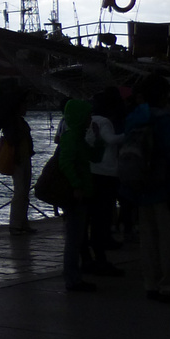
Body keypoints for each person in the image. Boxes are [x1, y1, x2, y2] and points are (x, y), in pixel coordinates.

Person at [122, 76, 170, 303]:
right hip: (169, 187)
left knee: (149, 239)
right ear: (164, 95)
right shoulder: (168, 119)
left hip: (142, 186)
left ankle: (151, 284)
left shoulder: (133, 118)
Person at [83, 87, 126, 277]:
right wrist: (131, 134)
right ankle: (101, 255)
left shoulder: (87, 121)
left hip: (90, 172)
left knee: (90, 217)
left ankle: (88, 257)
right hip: (107, 172)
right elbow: (110, 140)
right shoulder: (105, 121)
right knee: (103, 216)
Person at [57, 98, 97, 293]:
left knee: (77, 235)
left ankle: (74, 276)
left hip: (83, 191)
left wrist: (97, 140)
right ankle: (72, 278)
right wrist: (76, 185)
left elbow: (95, 156)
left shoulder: (78, 137)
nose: (91, 119)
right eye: (88, 115)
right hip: (77, 194)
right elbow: (67, 163)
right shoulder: (72, 139)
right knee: (74, 237)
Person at [0, 89, 36, 235]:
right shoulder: (12, 124)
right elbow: (12, 140)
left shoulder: (20, 122)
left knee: (24, 192)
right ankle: (16, 224)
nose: (26, 107)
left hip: (25, 158)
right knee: (20, 191)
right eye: (24, 105)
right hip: (18, 160)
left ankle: (23, 222)